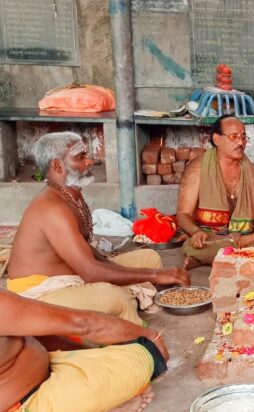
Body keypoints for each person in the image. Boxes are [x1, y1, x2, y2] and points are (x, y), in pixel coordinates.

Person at [7, 132, 189, 326]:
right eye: (81, 157)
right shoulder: (52, 209)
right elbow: (90, 272)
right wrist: (155, 275)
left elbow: (90, 254)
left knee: (148, 258)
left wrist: (127, 273)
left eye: (87, 155)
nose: (90, 161)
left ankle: (122, 306)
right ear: (57, 165)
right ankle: (129, 333)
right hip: (41, 293)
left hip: (74, 274)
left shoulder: (71, 197)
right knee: (114, 296)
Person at [0, 288, 169, 412]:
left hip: (45, 373)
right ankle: (96, 408)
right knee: (138, 360)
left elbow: (38, 333)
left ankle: (88, 405)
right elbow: (82, 323)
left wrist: (92, 358)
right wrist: (152, 337)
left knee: (107, 358)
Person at [177, 114, 254, 267]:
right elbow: (183, 215)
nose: (240, 142)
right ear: (217, 139)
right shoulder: (197, 168)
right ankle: (233, 254)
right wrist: (196, 232)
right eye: (233, 137)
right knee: (196, 245)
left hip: (245, 236)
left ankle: (214, 258)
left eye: (243, 137)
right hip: (210, 238)